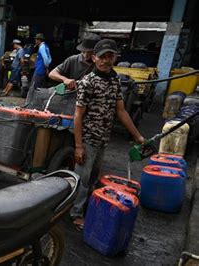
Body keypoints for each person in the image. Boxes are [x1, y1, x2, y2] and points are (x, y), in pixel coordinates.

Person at [70, 39, 145, 230]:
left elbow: (121, 110)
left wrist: (137, 136)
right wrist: (78, 146)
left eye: (110, 56)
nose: (105, 60)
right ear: (94, 58)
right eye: (102, 56)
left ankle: (89, 208)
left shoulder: (115, 80)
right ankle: (75, 214)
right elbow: (78, 115)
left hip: (103, 139)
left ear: (115, 58)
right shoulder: (87, 82)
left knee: (94, 178)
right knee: (83, 179)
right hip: (87, 139)